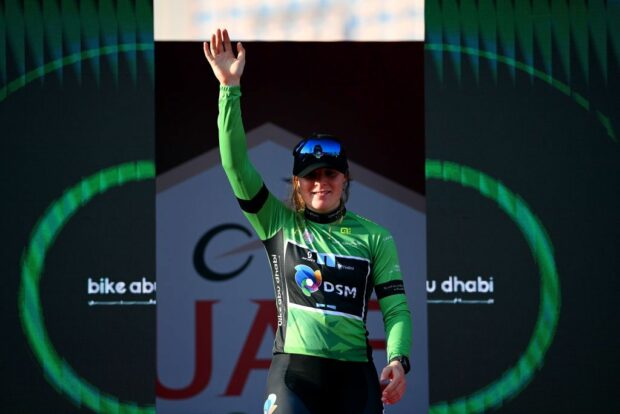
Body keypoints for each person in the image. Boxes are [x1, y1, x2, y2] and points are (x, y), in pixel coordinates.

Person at [204, 28, 412, 414]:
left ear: (345, 179)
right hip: (294, 374)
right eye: (311, 177)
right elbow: (235, 165)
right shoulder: (277, 222)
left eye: (330, 175)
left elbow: (396, 309)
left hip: (355, 379)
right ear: (297, 184)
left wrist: (398, 360)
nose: (321, 184)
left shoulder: (375, 237)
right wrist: (229, 88)